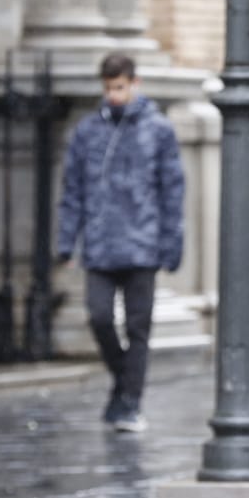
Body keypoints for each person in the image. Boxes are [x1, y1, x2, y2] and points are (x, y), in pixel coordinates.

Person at [56, 52, 185, 433]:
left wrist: (171, 244)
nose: (114, 95)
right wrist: (67, 242)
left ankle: (130, 403)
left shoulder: (159, 130)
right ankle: (123, 383)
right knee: (98, 316)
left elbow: (172, 192)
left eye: (120, 87)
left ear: (135, 84)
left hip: (142, 246)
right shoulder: (87, 131)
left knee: (138, 327)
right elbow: (72, 189)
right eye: (108, 88)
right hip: (99, 245)